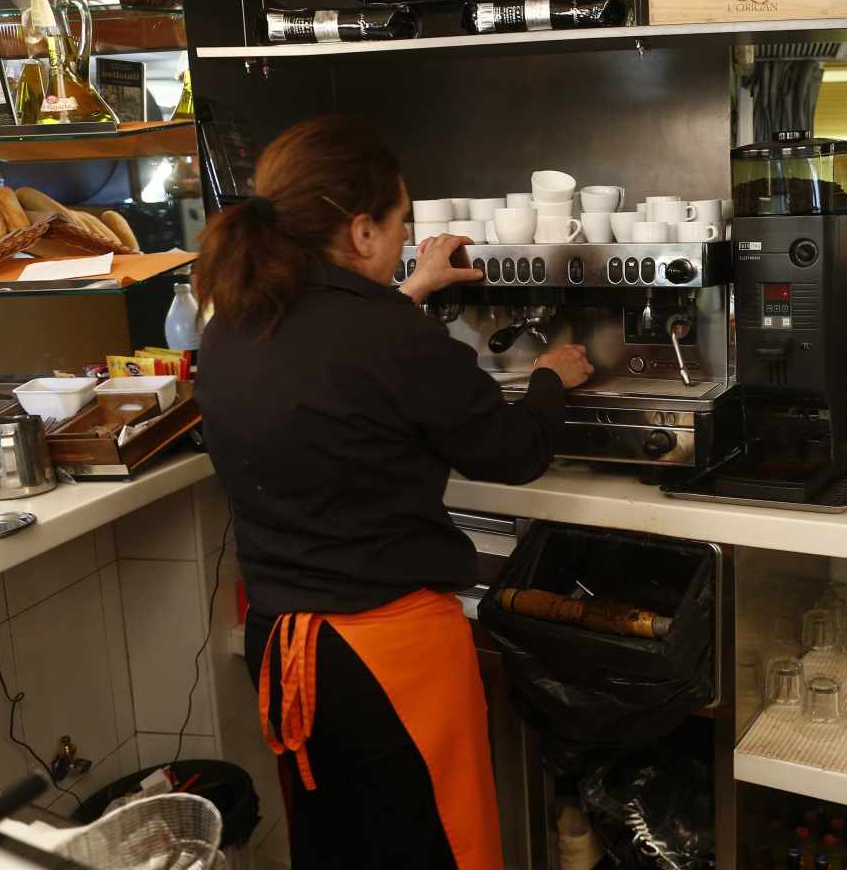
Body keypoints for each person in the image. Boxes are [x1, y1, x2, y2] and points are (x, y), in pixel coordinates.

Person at [193, 115, 593, 870]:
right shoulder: (388, 337)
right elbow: (512, 453)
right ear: (363, 232)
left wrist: (411, 290)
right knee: (431, 848)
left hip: (283, 648)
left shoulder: (232, 324)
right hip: (387, 659)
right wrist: (550, 381)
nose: (404, 239)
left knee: (336, 847)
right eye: (400, 224)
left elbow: (335, 355)